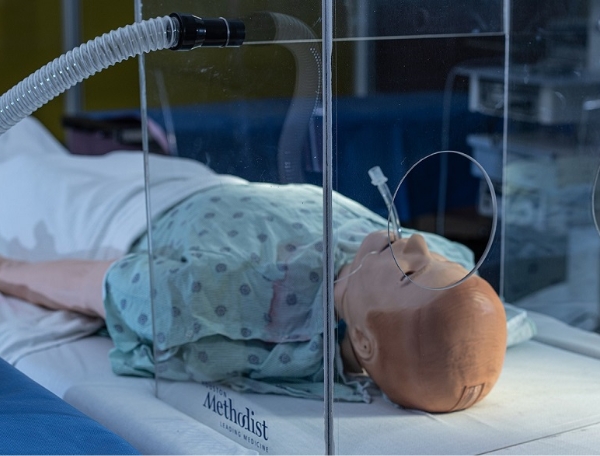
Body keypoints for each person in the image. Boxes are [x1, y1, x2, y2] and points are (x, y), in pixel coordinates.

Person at [0, 117, 511, 413]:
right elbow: (462, 296)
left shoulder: (253, 308)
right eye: (434, 259)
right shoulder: (426, 267)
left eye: (410, 272)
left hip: (109, 215)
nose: (418, 244)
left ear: (363, 342)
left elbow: (110, 287)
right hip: (194, 183)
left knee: (16, 149)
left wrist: (7, 271)